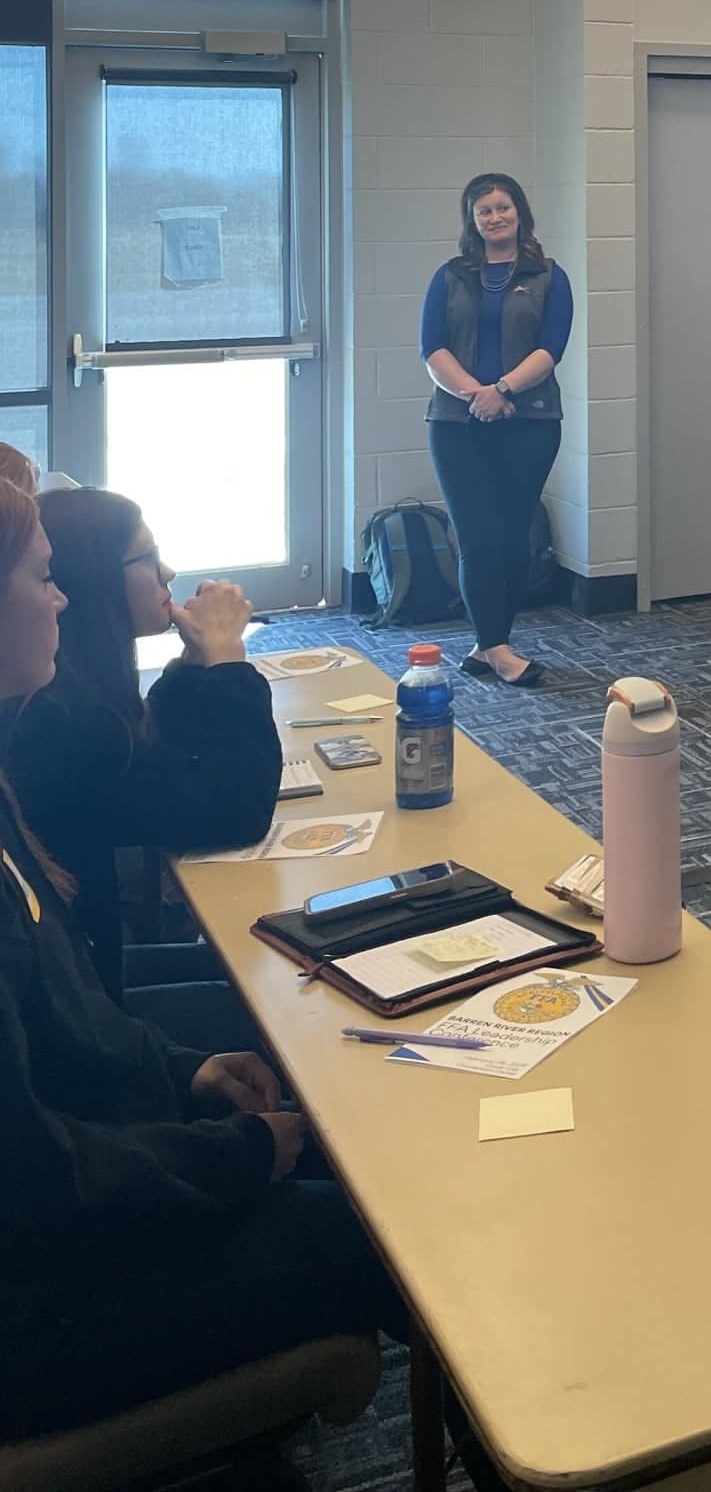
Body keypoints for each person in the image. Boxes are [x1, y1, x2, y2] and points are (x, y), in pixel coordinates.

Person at [0, 479, 406, 1440]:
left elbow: (60, 1046)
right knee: (391, 1229)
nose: (56, 599)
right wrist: (233, 1156)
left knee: (313, 1102)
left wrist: (183, 1081)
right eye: (41, 577)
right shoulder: (53, 727)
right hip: (34, 1311)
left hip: (50, 1216)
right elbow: (36, 1177)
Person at [3, 488, 279, 1037]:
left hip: (78, 979)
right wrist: (227, 664)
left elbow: (149, 753)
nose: (168, 571)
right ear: (96, 576)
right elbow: (235, 809)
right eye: (148, 559)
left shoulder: (71, 694)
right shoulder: (58, 724)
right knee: (281, 1007)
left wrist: (193, 662)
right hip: (76, 1025)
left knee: (261, 971)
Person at [420, 172, 573, 687]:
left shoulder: (550, 276)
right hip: (455, 425)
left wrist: (502, 390)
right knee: (478, 537)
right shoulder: (450, 276)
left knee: (511, 538)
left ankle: (489, 645)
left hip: (529, 423)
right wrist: (476, 395)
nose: (494, 217)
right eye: (483, 210)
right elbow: (432, 350)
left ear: (520, 212)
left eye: (503, 207)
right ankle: (498, 648)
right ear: (472, 220)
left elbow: (550, 351)